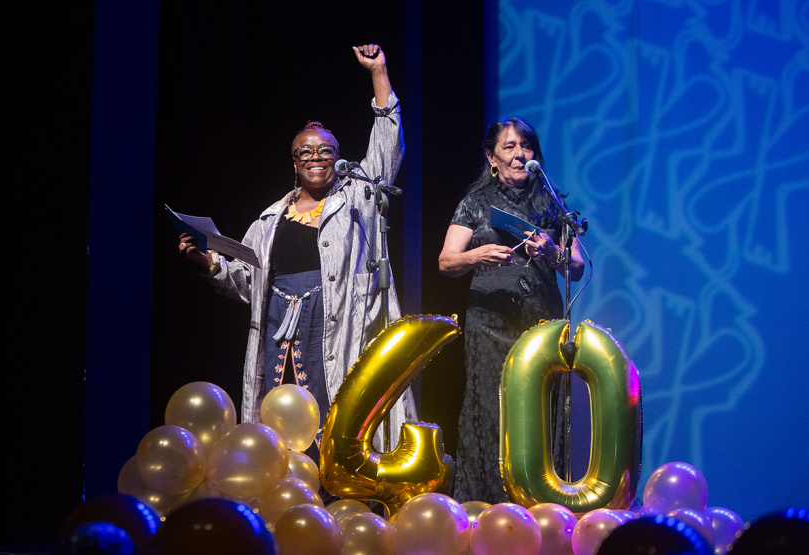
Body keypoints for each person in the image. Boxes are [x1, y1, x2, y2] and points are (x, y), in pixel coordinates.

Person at [178, 44, 416, 459]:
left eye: (326, 151)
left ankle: (331, 490)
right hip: (276, 327)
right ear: (294, 162)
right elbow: (248, 281)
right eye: (305, 151)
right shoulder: (269, 220)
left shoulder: (357, 196)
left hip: (333, 323)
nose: (316, 157)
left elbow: (386, 146)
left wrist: (378, 71)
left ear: (338, 159)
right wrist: (208, 262)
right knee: (278, 414)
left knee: (331, 413)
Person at [438, 117, 585, 504]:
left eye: (526, 146)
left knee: (541, 409)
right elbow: (446, 262)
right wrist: (478, 254)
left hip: (541, 323)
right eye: (509, 146)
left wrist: (552, 253)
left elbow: (577, 266)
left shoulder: (552, 205)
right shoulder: (475, 204)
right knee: (493, 410)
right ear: (492, 158)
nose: (519, 154)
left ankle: (543, 503)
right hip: (489, 324)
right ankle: (490, 506)